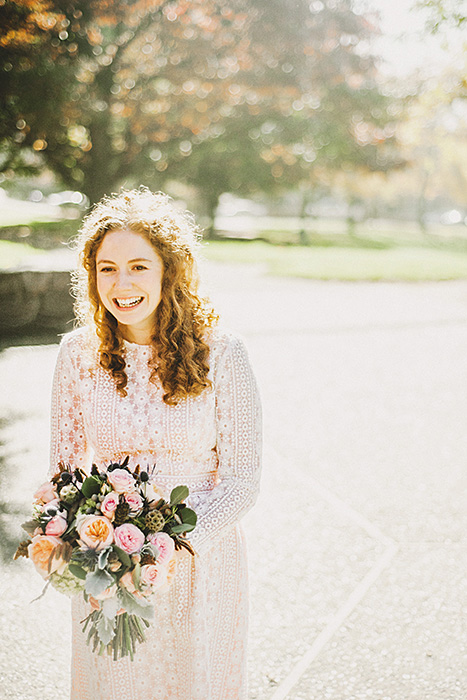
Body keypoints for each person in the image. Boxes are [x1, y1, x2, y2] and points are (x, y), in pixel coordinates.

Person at [49, 188, 262, 700]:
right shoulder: (77, 355)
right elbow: (64, 473)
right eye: (107, 268)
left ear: (170, 270)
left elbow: (243, 481)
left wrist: (173, 543)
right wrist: (86, 544)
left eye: (139, 267)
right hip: (109, 566)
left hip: (200, 562)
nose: (122, 284)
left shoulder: (224, 355)